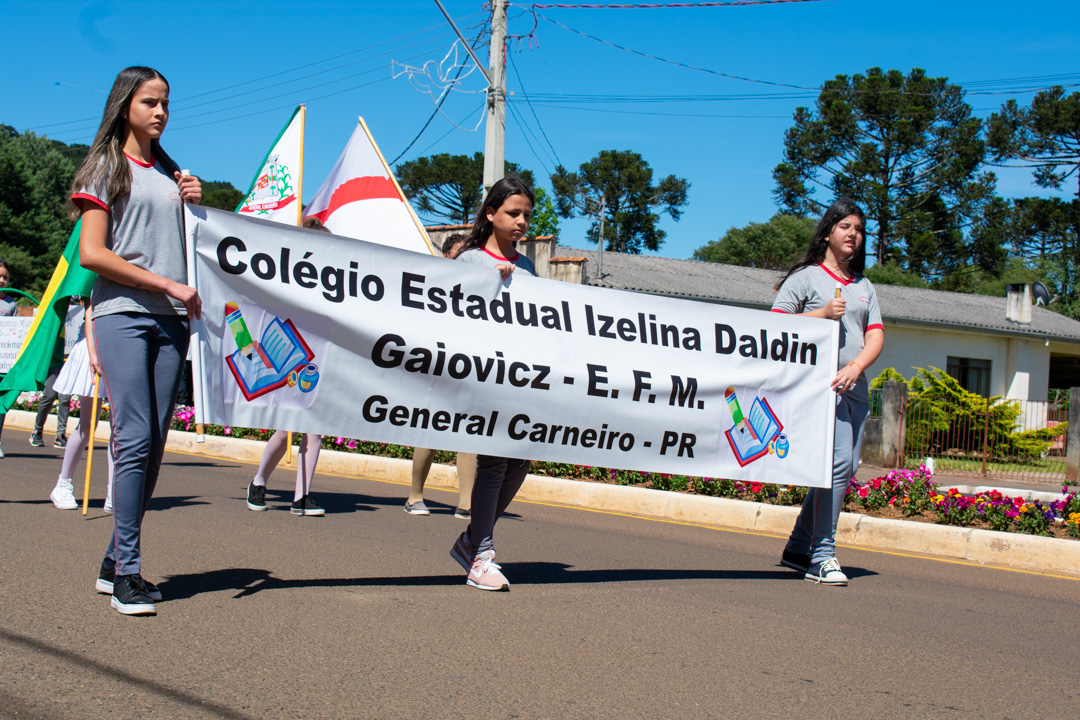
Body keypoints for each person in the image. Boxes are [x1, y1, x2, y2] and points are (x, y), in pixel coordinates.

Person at [72, 66, 202, 616]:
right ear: (125, 104)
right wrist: (165, 283)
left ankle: (113, 561)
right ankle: (127, 573)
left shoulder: (172, 173)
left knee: (153, 448)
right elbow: (92, 255)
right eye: (150, 101)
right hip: (124, 313)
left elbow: (192, 244)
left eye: (166, 104)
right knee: (133, 439)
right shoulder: (105, 167)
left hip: (172, 321)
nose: (160, 112)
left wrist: (195, 202)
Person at [771, 197, 884, 587]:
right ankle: (822, 555)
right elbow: (776, 325)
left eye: (859, 229)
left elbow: (875, 334)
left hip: (855, 388)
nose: (853, 235)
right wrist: (821, 315)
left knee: (845, 469)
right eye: (846, 227)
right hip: (820, 389)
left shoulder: (865, 286)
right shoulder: (805, 278)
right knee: (835, 466)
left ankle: (798, 546)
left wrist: (856, 367)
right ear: (828, 233)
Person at [447, 177, 536, 591]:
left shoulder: (530, 266)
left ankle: (471, 540)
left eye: (526, 215)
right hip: (482, 376)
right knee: (495, 462)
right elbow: (450, 315)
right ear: (490, 214)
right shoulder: (468, 262)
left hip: (520, 379)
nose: (521, 222)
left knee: (520, 461)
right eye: (513, 213)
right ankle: (481, 553)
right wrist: (492, 287)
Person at [245, 216, 327, 517]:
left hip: (315, 359)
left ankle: (302, 497)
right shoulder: (282, 272)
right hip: (285, 357)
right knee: (285, 429)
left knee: (314, 430)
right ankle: (259, 481)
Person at [407, 235, 477, 519]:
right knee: (432, 428)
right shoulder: (434, 284)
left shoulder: (475, 289)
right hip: (438, 365)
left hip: (469, 367)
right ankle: (414, 496)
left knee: (469, 432)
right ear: (447, 256)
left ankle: (466, 503)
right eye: (460, 255)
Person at [49, 298, 116, 512]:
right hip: (92, 347)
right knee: (87, 425)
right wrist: (93, 354)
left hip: (121, 348)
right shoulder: (94, 276)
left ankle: (114, 490)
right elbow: (90, 315)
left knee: (120, 427)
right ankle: (63, 484)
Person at [30, 301, 81, 449]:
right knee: (50, 395)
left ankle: (60, 435)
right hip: (53, 361)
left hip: (69, 360)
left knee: (65, 398)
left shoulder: (79, 310)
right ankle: (37, 431)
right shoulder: (54, 307)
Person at [0, 258, 18, 458]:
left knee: (1, 402)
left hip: (3, 360)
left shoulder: (11, 303)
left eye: (5, 277)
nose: (2, 280)